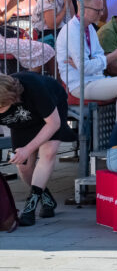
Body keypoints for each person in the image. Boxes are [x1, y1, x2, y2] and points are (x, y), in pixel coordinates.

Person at [55, 0, 117, 116]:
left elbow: (94, 59)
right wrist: (112, 56)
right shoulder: (72, 31)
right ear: (83, 8)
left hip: (95, 79)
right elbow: (86, 68)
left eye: (102, 9)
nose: (102, 13)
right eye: (97, 10)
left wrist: (92, 61)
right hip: (81, 85)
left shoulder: (90, 28)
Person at [0, 73, 77, 226]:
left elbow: (53, 124)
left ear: (12, 100)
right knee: (24, 167)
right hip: (21, 123)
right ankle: (46, 198)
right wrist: (24, 152)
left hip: (50, 115)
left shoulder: (34, 89)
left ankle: (30, 208)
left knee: (48, 153)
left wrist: (28, 149)